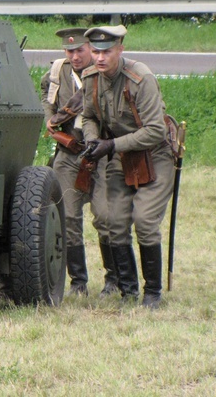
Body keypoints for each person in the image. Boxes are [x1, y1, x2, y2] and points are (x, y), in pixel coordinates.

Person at [80, 25, 175, 309]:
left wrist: (111, 146)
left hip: (154, 155)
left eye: (106, 51)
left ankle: (153, 294)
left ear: (120, 49)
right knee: (113, 222)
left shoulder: (139, 78)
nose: (99, 57)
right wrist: (92, 140)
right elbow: (88, 116)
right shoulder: (90, 78)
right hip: (121, 158)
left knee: (145, 221)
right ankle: (128, 291)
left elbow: (156, 131)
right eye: (95, 51)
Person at [40, 27, 116, 297]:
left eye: (79, 50)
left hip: (103, 154)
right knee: (67, 218)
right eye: (69, 51)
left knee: (106, 217)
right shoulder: (56, 72)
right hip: (70, 154)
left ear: (90, 49)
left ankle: (113, 279)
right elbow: (47, 101)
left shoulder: (104, 72)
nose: (74, 56)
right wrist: (53, 124)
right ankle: (78, 281)